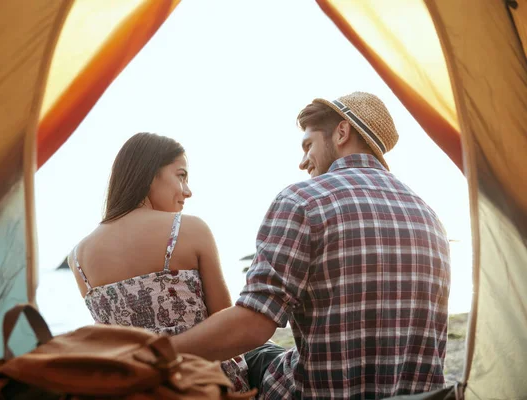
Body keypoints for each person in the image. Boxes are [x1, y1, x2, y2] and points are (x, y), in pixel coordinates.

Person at [172, 92, 451, 399]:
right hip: (417, 395)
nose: (303, 162)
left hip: (319, 392)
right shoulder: (429, 215)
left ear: (342, 132)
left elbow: (252, 324)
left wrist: (160, 352)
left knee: (247, 359)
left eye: (308, 145)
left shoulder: (303, 201)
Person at [67, 132, 249, 393]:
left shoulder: (77, 257)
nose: (188, 191)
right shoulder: (189, 229)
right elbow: (226, 327)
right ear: (151, 173)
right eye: (181, 176)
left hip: (134, 391)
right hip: (201, 387)